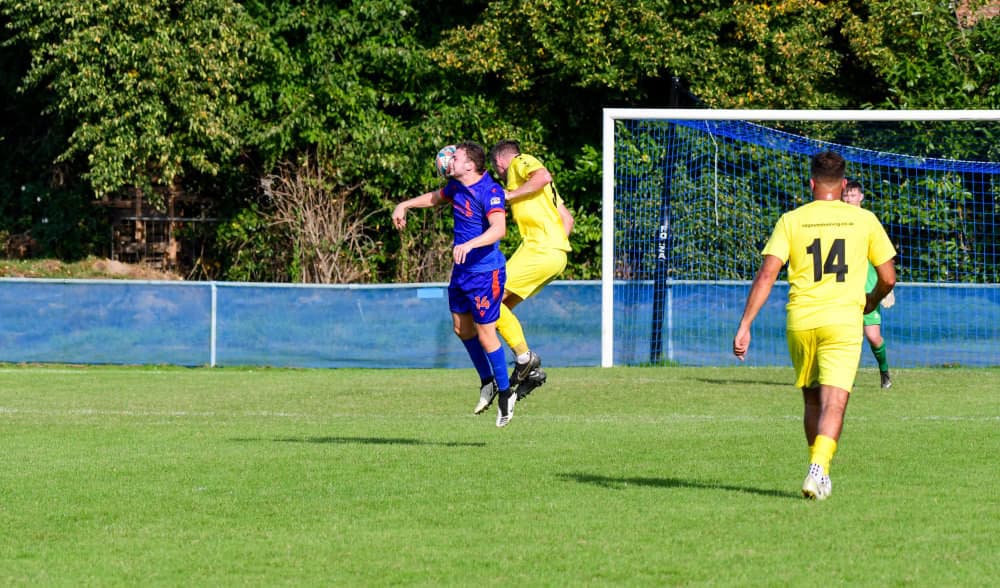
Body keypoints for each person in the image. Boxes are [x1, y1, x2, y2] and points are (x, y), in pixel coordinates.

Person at [732, 151, 896, 501]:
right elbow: (889, 277)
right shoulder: (864, 220)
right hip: (842, 321)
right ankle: (818, 468)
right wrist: (872, 300)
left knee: (811, 401)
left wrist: (745, 324)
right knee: (834, 402)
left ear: (811, 183)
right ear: (843, 185)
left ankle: (818, 473)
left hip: (801, 321)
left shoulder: (791, 220)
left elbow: (767, 274)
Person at [392, 141, 517, 427]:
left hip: (485, 274)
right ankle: (487, 381)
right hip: (462, 273)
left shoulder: (490, 191)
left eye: (456, 157)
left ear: (470, 165)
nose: (450, 160)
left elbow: (499, 229)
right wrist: (404, 205)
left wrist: (470, 244)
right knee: (461, 329)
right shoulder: (456, 187)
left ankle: (506, 392)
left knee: (486, 334)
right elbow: (435, 197)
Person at [487, 140, 574, 401]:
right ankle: (531, 371)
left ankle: (526, 360)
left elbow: (543, 175)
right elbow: (567, 219)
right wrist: (555, 246)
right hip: (556, 255)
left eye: (496, 169)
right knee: (495, 310)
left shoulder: (519, 161)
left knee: (488, 299)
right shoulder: (547, 195)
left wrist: (509, 195)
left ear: (499, 162)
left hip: (540, 249)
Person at [843, 180, 894, 389]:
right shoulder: (837, 223)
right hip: (844, 291)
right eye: (846, 195)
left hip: (868, 292)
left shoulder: (868, 221)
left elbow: (884, 256)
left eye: (853, 195)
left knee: (873, 337)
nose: (849, 199)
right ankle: (843, 379)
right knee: (846, 338)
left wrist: (887, 289)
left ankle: (884, 372)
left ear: (861, 197)